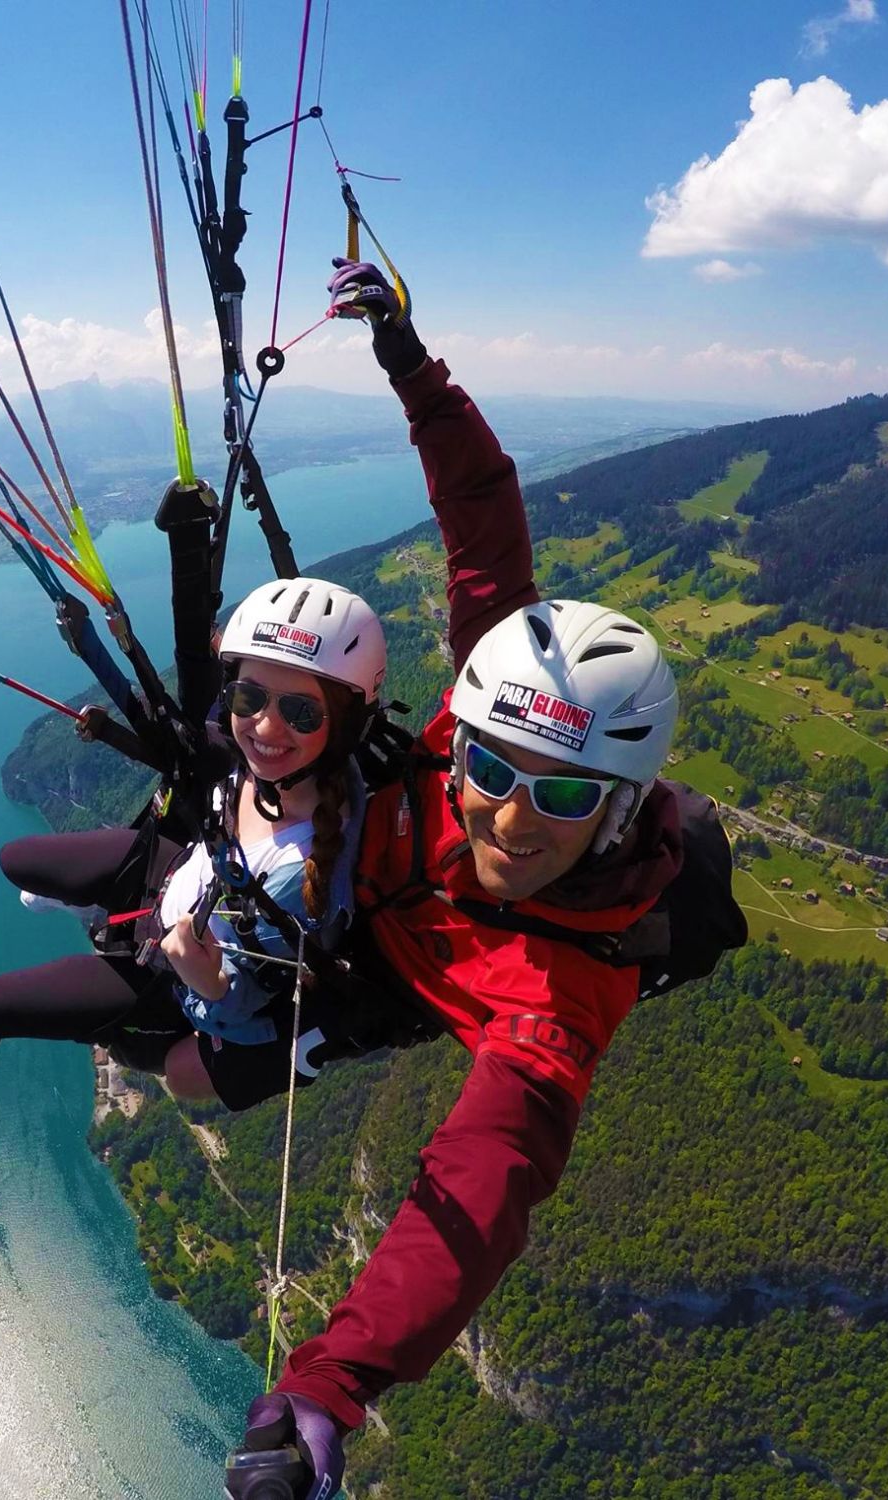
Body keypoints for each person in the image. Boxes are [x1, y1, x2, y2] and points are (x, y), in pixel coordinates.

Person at [225, 260, 747, 1495]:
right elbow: (480, 513)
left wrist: (330, 1383)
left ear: (620, 808)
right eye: (489, 768)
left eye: (561, 796)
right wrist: (409, 360)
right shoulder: (502, 695)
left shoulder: (562, 998)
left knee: (194, 1059)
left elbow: (476, 1197)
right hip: (392, 906)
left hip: (404, 976)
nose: (511, 812)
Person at [0, 576, 386, 1110]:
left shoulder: (303, 879)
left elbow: (243, 1011)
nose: (265, 726)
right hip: (171, 879)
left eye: (300, 712)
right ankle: (94, 901)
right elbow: (175, 699)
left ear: (344, 724)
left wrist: (207, 982)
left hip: (162, 981)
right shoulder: (268, 766)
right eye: (248, 696)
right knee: (17, 862)